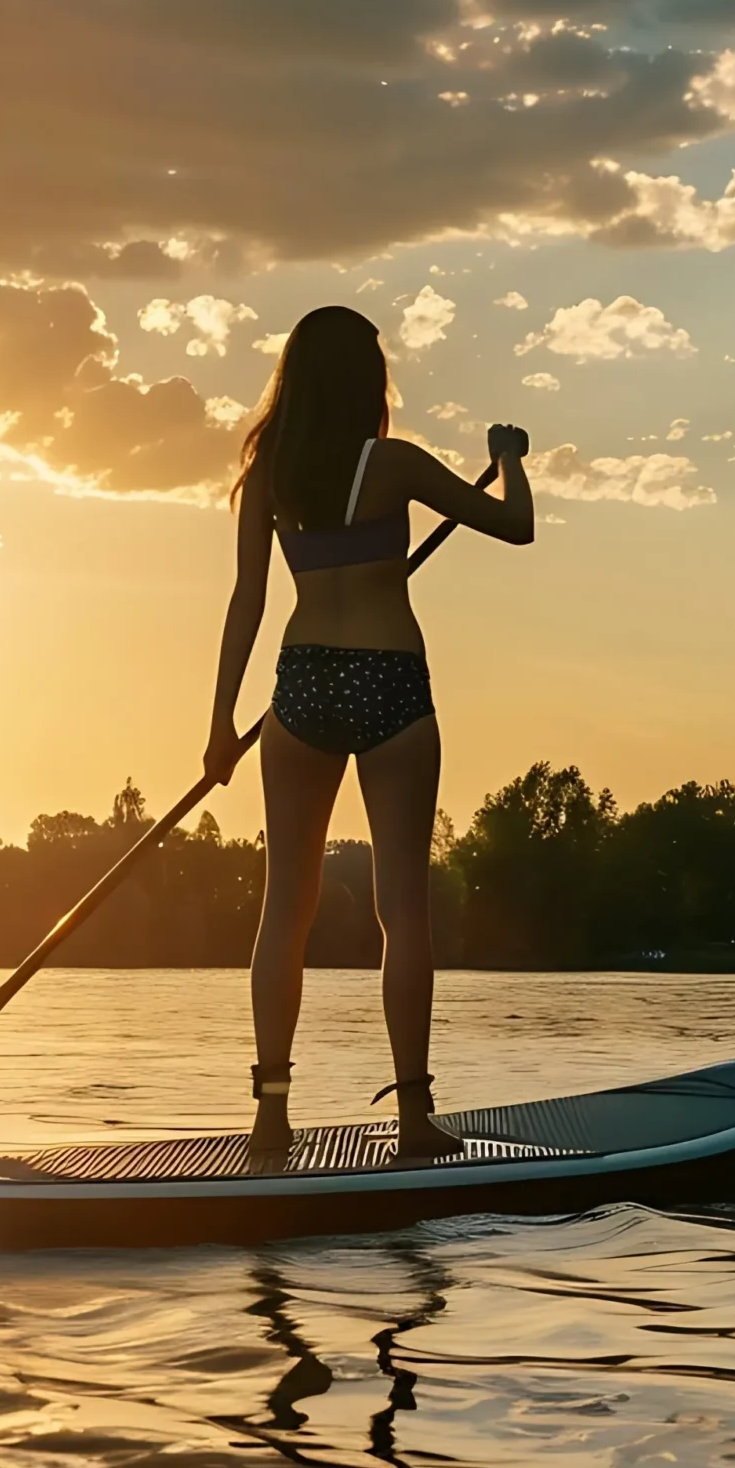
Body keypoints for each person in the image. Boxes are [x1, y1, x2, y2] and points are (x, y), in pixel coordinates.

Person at [203, 305, 535, 1169]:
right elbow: (515, 524)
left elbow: (248, 599)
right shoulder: (392, 464)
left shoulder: (270, 470)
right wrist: (508, 461)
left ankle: (271, 1116)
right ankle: (415, 1118)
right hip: (391, 683)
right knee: (403, 910)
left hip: (303, 683)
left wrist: (217, 722)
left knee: (287, 906)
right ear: (367, 380)